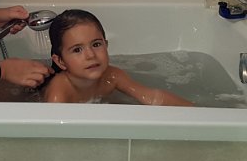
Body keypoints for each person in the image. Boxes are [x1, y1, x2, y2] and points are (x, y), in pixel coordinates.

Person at [43, 9, 193, 106]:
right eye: (77, 50)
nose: (91, 55)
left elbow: (152, 97)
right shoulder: (59, 92)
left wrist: (195, 111)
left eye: (96, 44)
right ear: (60, 61)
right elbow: (53, 131)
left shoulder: (112, 76)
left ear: (106, 45)